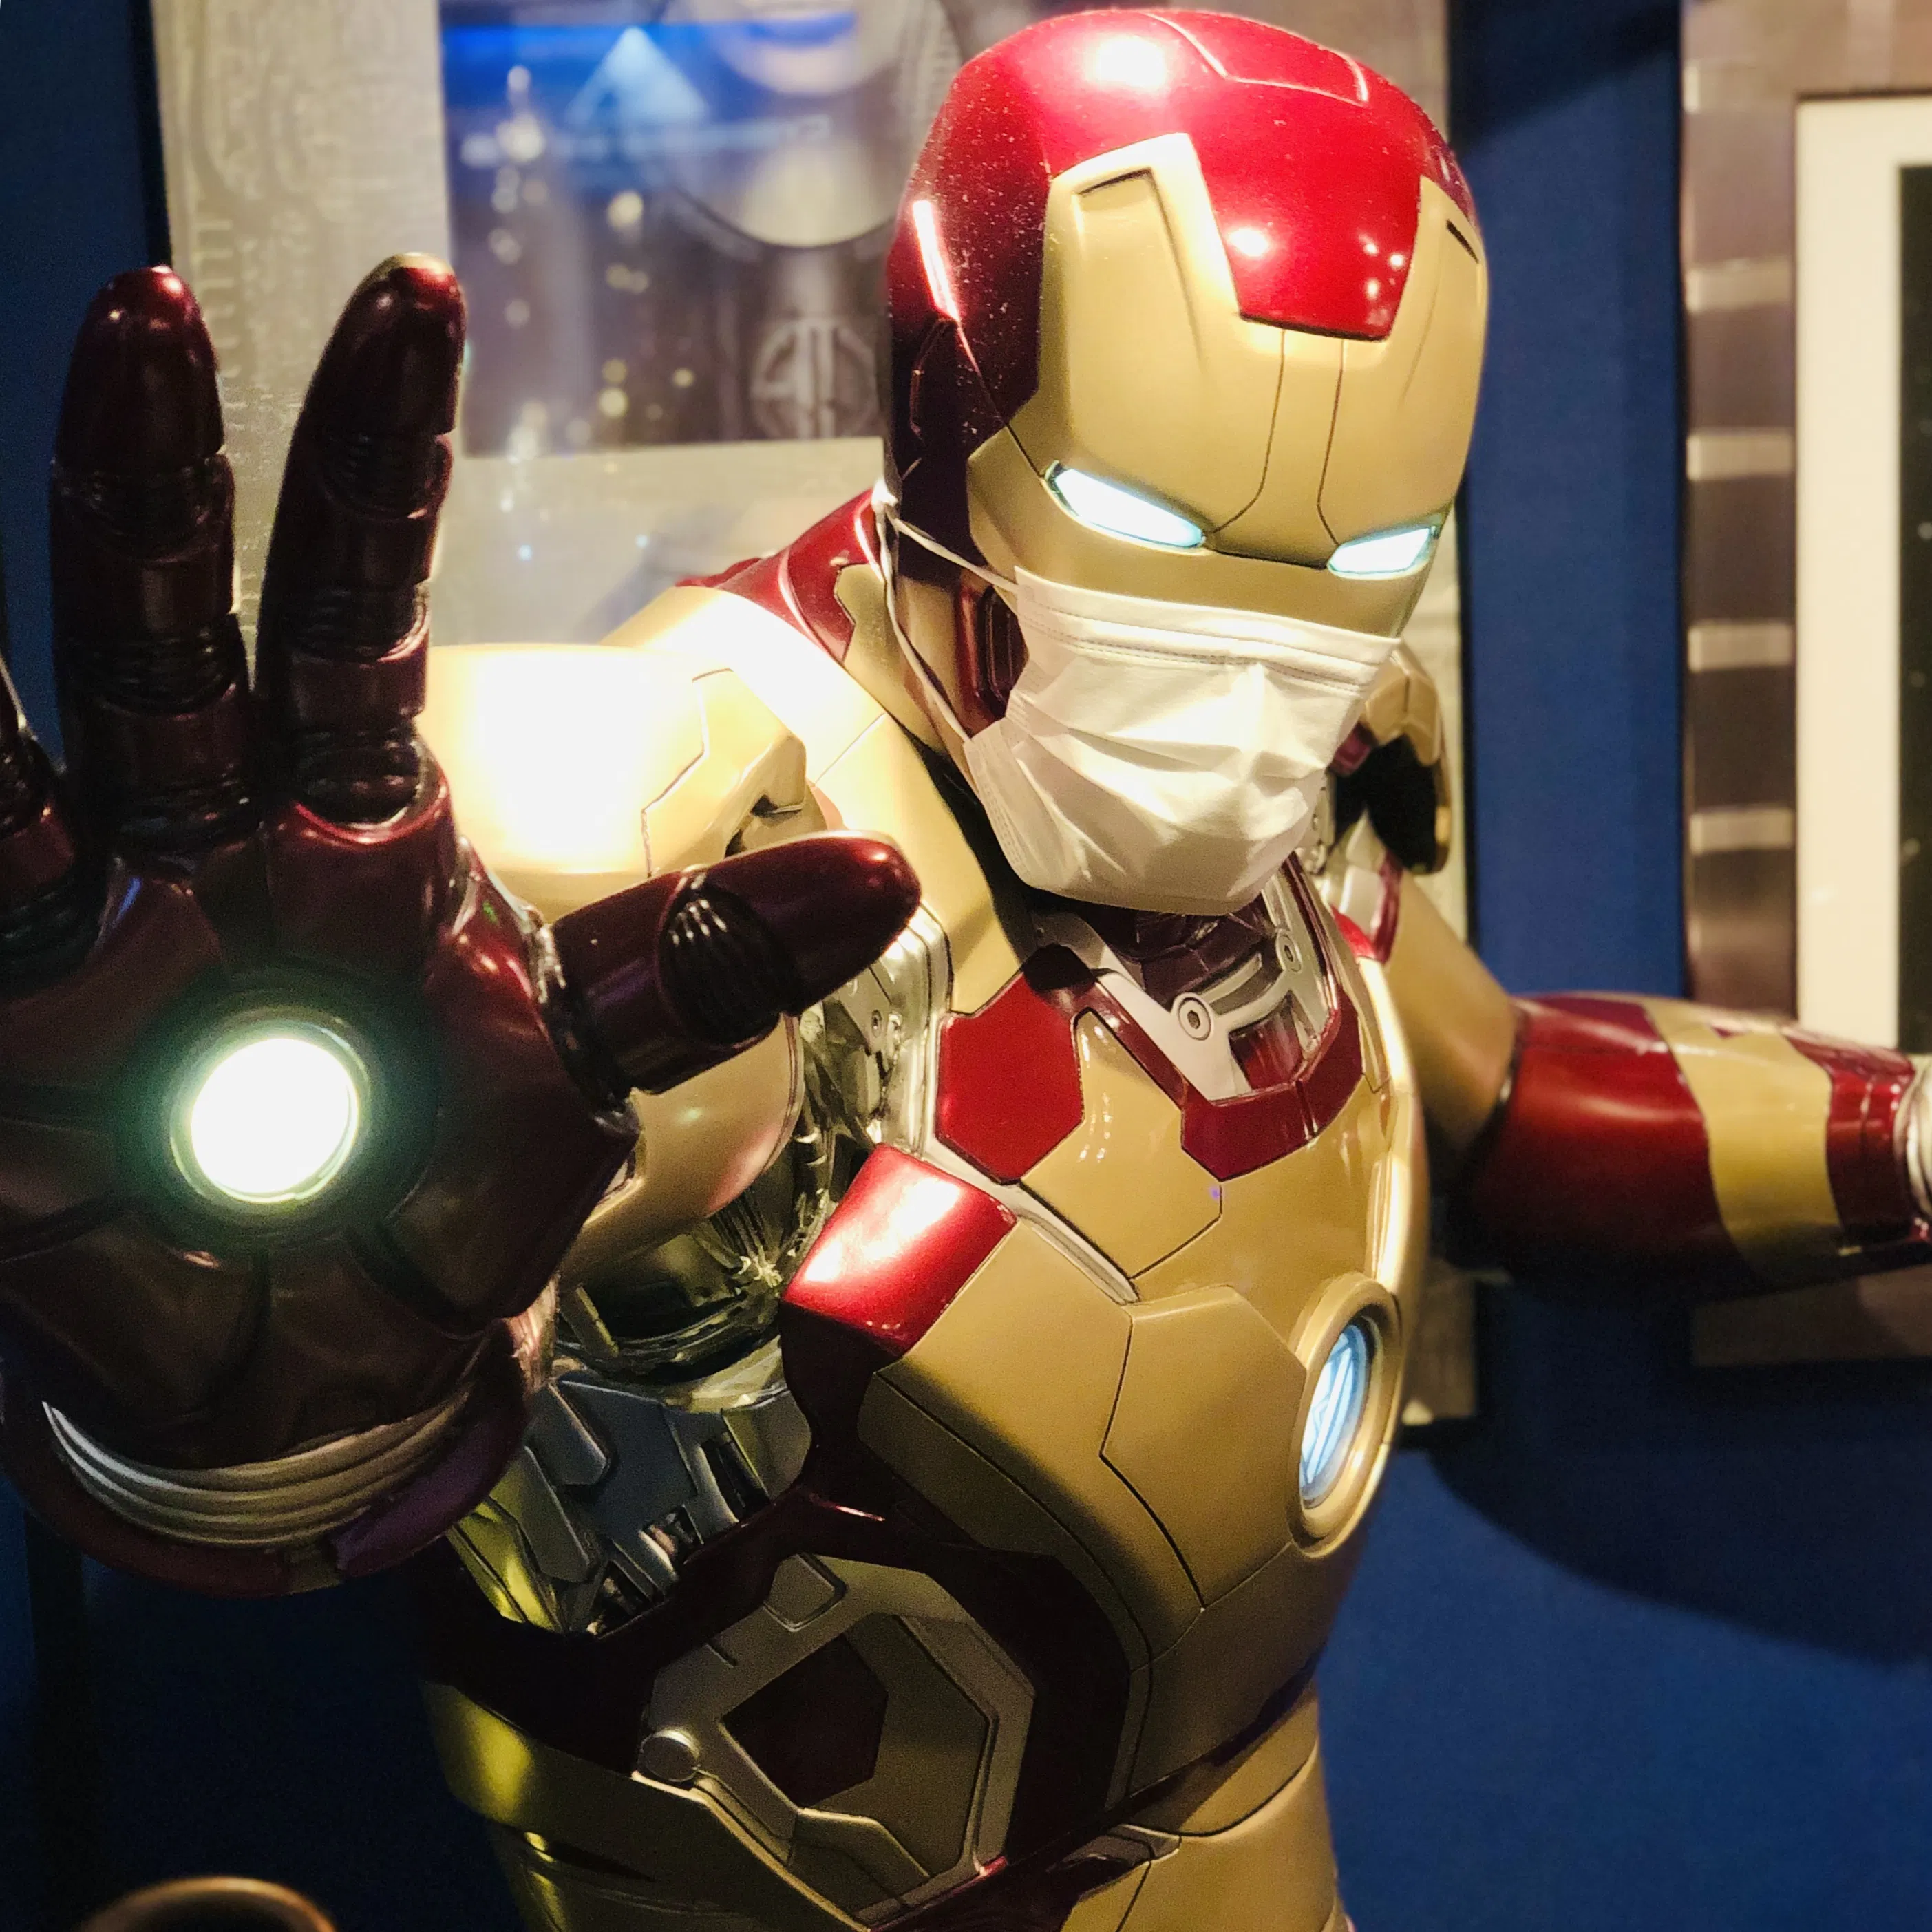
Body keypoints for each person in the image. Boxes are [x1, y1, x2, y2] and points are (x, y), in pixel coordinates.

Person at [1, 14, 1923, 1931]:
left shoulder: (1290, 781)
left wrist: (1899, 1133)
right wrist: (244, 1303)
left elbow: (1495, 1098)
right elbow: (311, 1355)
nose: (1245, 668)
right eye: (1147, 530)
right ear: (946, 410)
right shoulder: (673, 819)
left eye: (1358, 566)